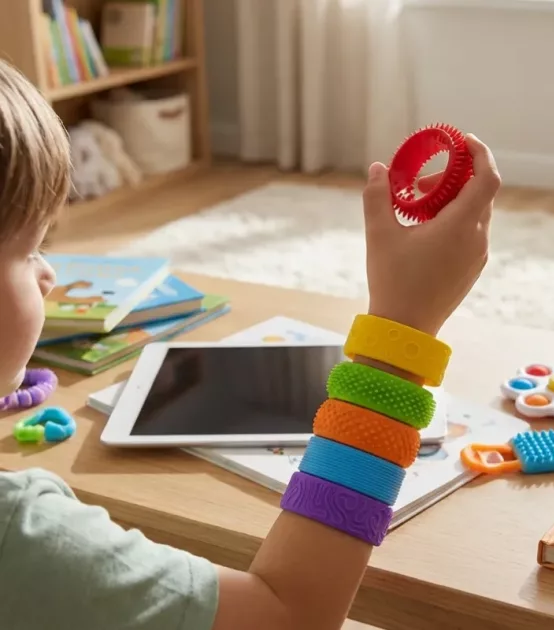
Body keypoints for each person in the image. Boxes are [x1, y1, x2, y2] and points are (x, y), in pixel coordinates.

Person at [0, 58, 500, 630]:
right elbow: (290, 614)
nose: (48, 275)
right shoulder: (23, 538)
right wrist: (401, 336)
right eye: (31, 249)